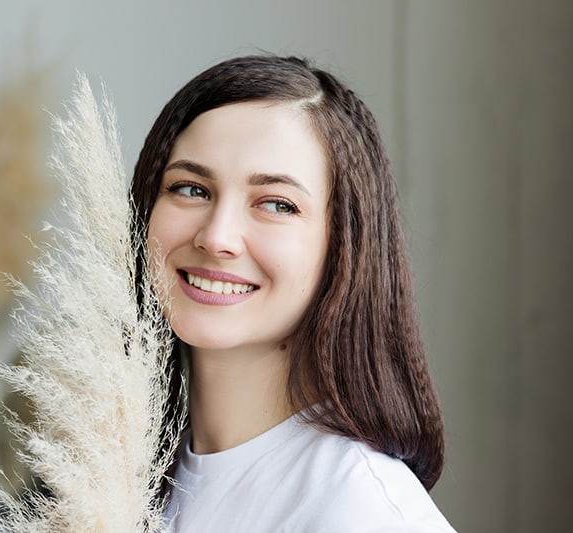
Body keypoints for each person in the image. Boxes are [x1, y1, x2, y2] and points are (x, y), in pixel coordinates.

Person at [130, 55, 456, 532]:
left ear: (345, 245)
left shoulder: (362, 511)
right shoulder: (122, 477)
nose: (216, 236)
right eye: (191, 189)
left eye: (277, 204)